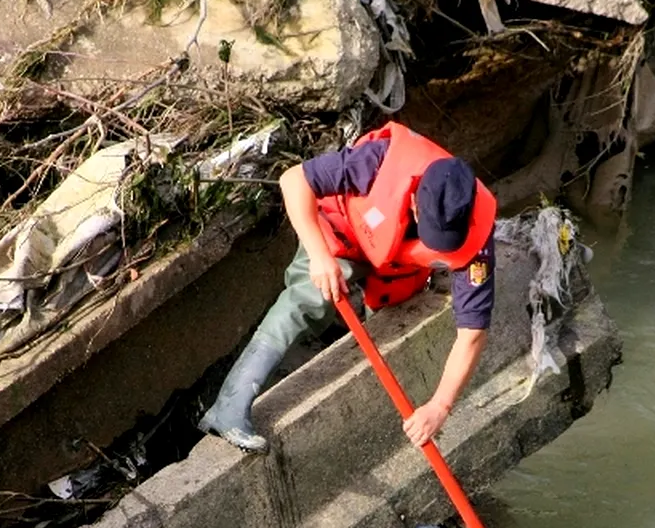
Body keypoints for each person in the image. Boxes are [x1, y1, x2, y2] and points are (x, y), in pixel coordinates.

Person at [197, 121, 498, 452]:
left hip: (399, 261)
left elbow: (472, 333)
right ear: (414, 201)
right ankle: (227, 408)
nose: (442, 246)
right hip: (343, 232)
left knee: (392, 319)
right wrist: (318, 256)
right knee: (306, 300)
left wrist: (440, 406)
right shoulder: (377, 162)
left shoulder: (476, 237)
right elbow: (293, 180)